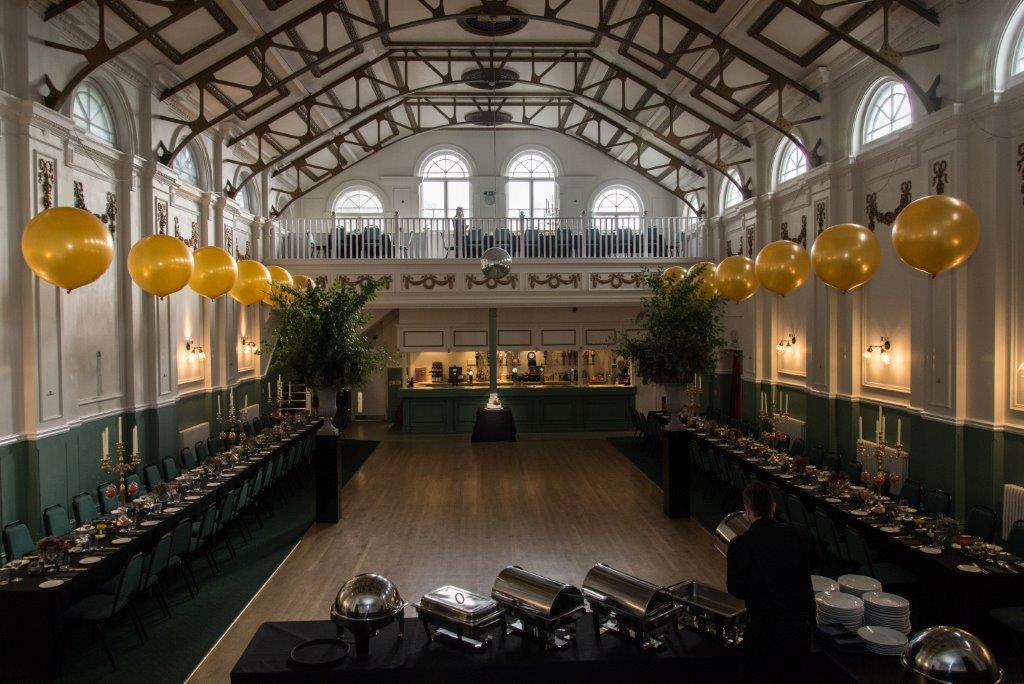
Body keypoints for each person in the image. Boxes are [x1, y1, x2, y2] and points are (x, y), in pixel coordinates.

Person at [726, 482, 814, 683]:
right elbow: (814, 565)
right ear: (773, 507)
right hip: (800, 632)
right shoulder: (801, 534)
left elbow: (736, 589)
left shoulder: (739, 545)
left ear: (748, 511)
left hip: (763, 632)